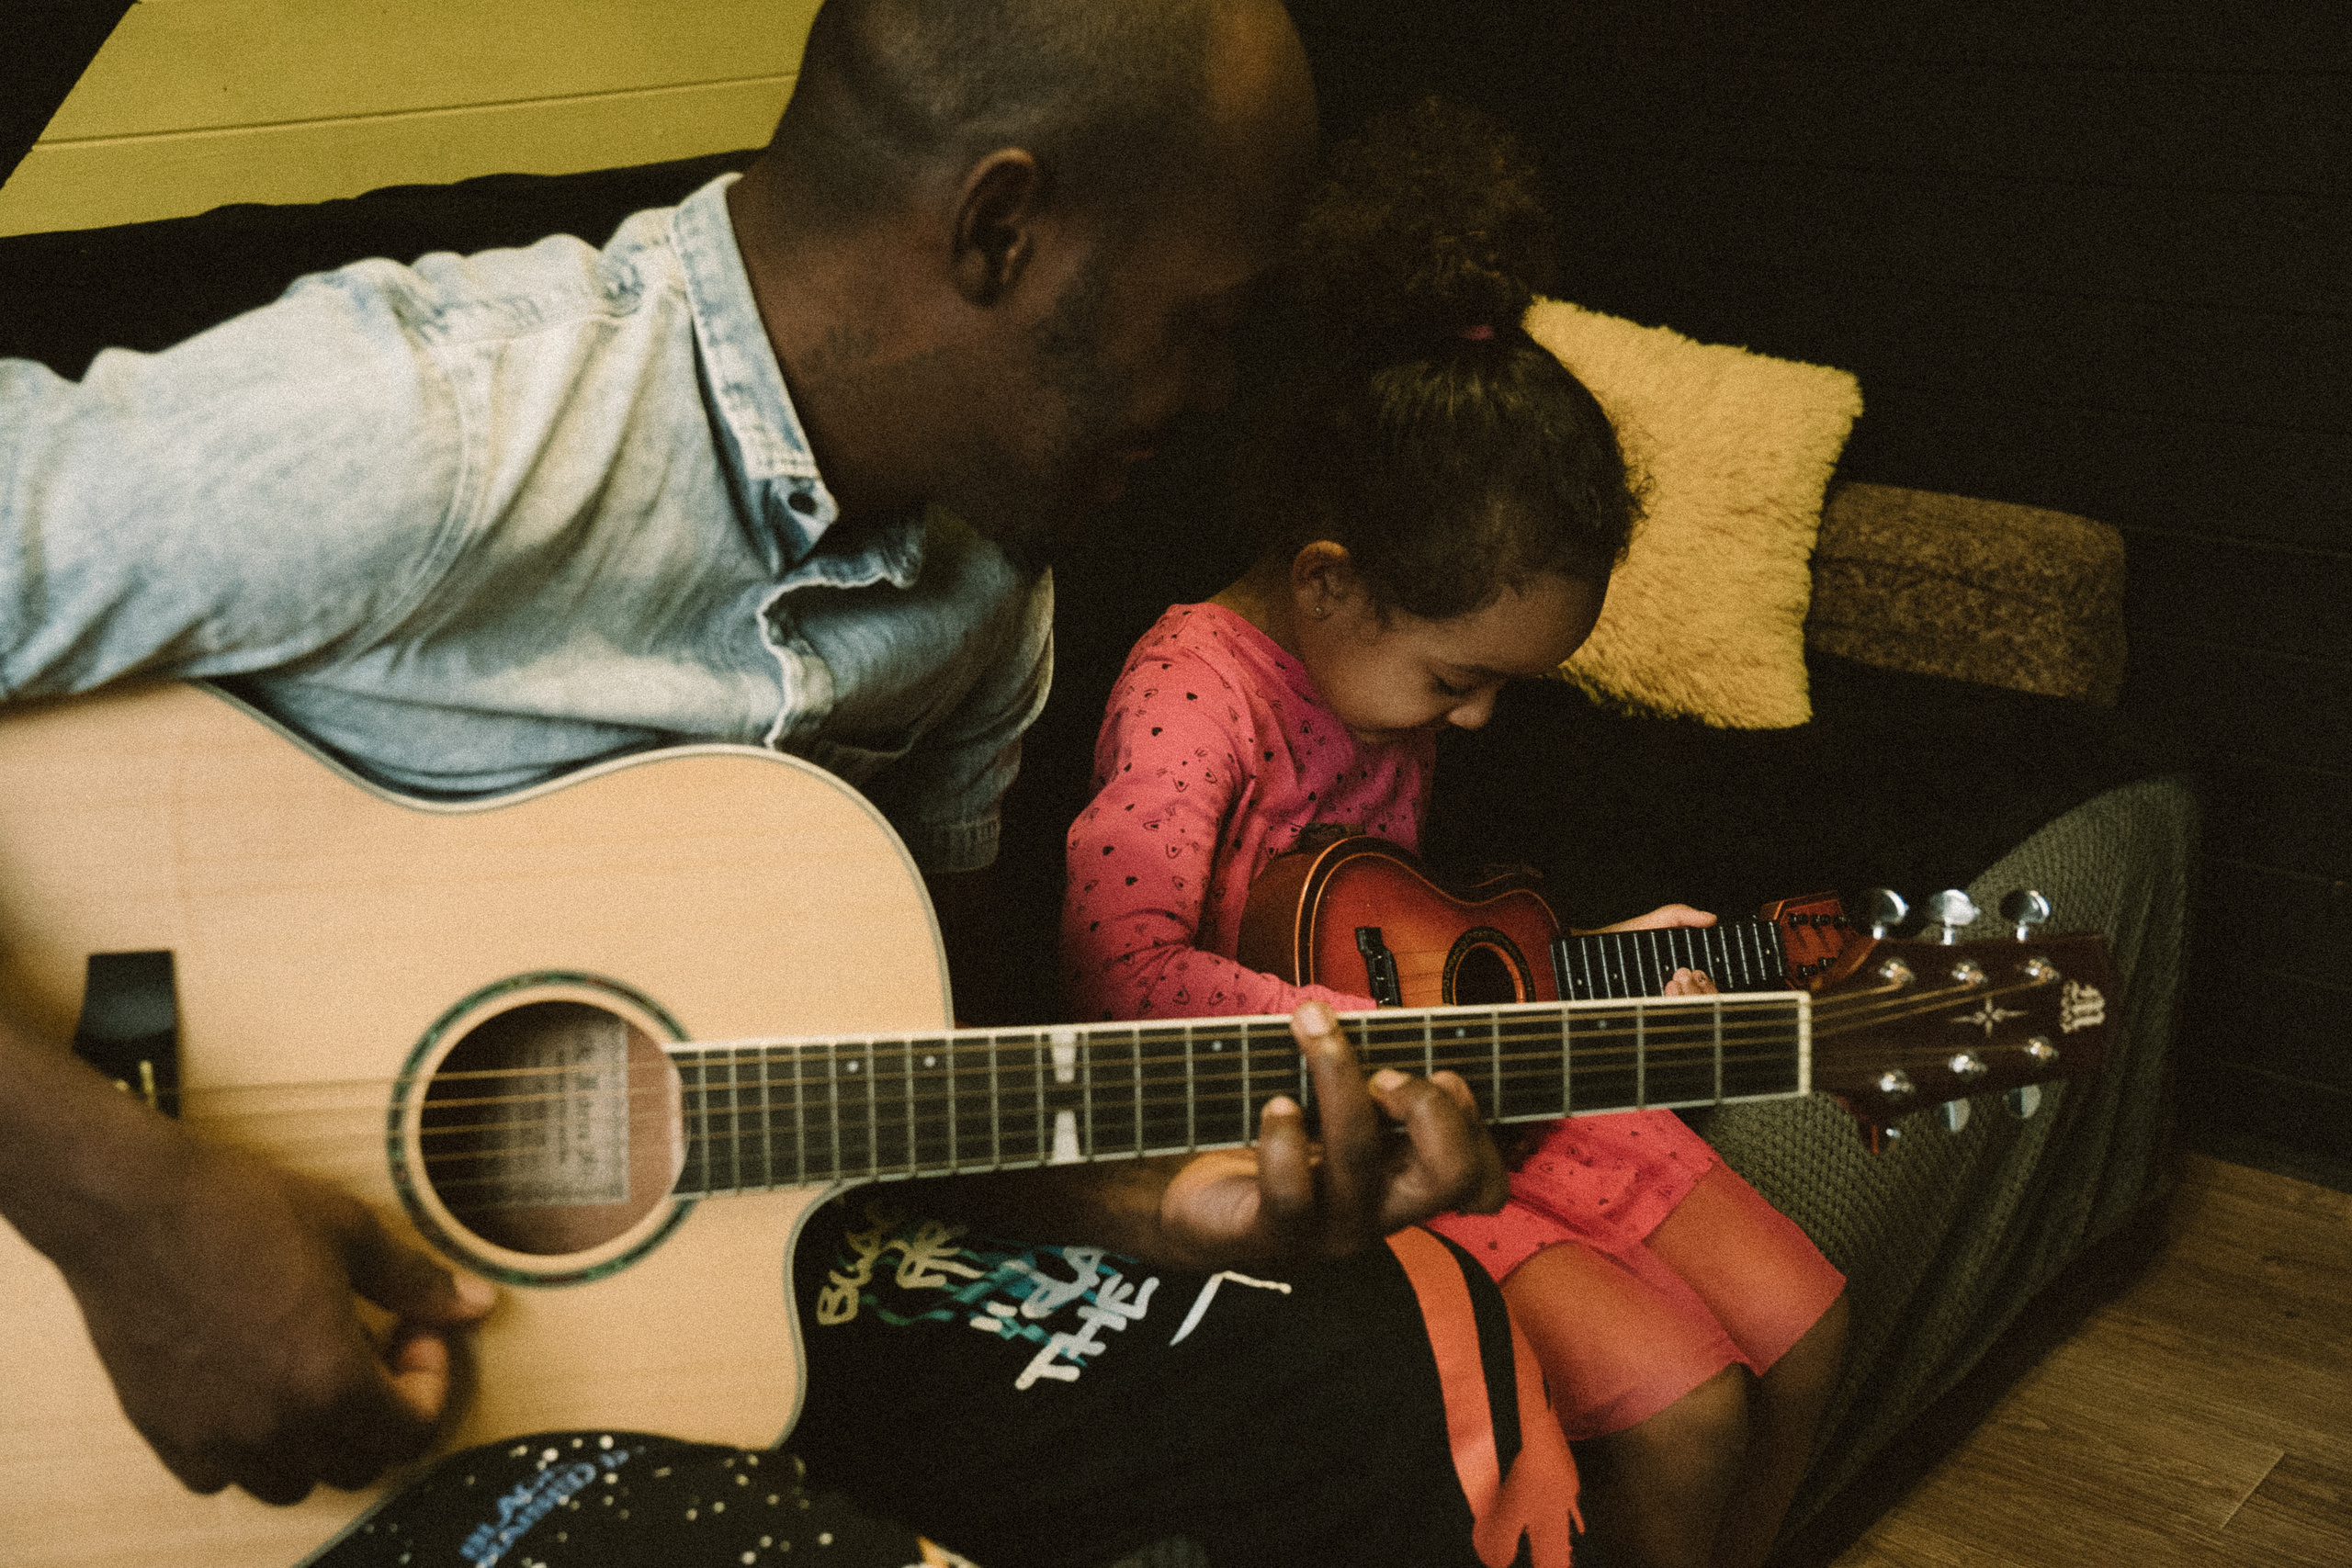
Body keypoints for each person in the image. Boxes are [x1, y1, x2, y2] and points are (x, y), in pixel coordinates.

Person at [0, 4, 1517, 1562]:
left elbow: (892, 1081)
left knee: (1360, 1389)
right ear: (1001, 227)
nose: (1218, 397)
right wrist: (120, 1200)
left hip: (663, 1338)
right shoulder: (437, 429)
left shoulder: (990, 590)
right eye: (1206, 324)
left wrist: (1161, 1212)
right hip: (145, 1333)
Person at [1059, 101, 1851, 1568]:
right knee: (1691, 1411)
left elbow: (1424, 923)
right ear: (1333, 582)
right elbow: (1119, 966)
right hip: (1329, 1127)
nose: (1473, 723)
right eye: (1458, 680)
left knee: (1806, 1327)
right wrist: (1379, 1038)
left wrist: (1596, 968)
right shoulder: (1192, 688)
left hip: (1466, 1075)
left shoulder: (1386, 680)